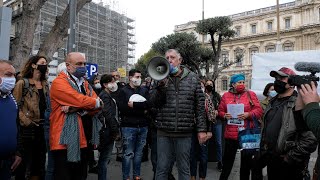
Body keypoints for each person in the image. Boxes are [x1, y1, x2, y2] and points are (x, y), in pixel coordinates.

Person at [149, 49, 207, 180]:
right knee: (162, 168)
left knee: (184, 168)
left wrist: (202, 129)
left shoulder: (192, 78)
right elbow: (152, 103)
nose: (169, 60)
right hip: (164, 131)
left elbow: (199, 106)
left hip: (184, 131)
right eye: (167, 57)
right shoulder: (159, 78)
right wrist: (161, 86)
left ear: (180, 61)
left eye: (172, 57)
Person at [49, 52, 102, 180]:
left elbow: (99, 106)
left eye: (84, 63)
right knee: (65, 175)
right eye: (79, 64)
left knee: (81, 175)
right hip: (65, 141)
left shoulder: (85, 83)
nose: (83, 66)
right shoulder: (59, 83)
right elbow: (81, 100)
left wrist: (77, 108)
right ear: (68, 66)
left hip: (84, 138)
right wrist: (92, 103)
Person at [260, 67, 317, 180]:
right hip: (272, 160)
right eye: (276, 78)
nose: (277, 80)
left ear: (292, 82)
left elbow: (311, 139)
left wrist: (289, 158)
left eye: (282, 78)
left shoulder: (300, 102)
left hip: (290, 164)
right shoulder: (272, 102)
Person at [218, 73, 263, 180]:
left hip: (247, 133)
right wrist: (224, 115)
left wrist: (249, 114)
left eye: (243, 82)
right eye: (239, 82)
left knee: (246, 165)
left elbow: (259, 111)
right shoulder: (225, 96)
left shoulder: (250, 94)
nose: (242, 84)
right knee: (227, 163)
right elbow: (220, 111)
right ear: (233, 84)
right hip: (231, 135)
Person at [13, 55, 50, 180]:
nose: (45, 65)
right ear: (34, 65)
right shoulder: (22, 83)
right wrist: (26, 121)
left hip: (42, 128)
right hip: (27, 129)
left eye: (46, 63)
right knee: (23, 164)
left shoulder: (45, 84)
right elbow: (15, 106)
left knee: (39, 164)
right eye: (42, 62)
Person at [118, 69, 150, 180]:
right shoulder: (123, 91)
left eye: (140, 77)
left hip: (143, 126)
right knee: (128, 154)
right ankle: (126, 177)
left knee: (139, 154)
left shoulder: (144, 90)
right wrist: (142, 109)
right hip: (128, 127)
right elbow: (123, 109)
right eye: (136, 77)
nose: (139, 79)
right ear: (130, 77)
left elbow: (148, 105)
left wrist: (135, 106)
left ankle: (137, 176)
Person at [0, 60, 22, 179]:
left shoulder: (11, 98)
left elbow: (16, 126)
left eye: (14, 75)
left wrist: (18, 152)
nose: (13, 79)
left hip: (8, 162)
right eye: (8, 75)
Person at [97, 74, 120, 180]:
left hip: (108, 130)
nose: (114, 83)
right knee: (104, 159)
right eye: (112, 81)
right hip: (107, 131)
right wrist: (115, 131)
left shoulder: (107, 95)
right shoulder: (104, 96)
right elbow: (108, 115)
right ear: (105, 84)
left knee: (105, 158)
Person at [190, 80, 213, 180]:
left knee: (203, 155)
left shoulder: (207, 98)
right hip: (190, 131)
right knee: (192, 155)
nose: (199, 88)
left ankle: (202, 177)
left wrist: (209, 130)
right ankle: (192, 176)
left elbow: (211, 117)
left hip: (204, 130)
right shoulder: (188, 98)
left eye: (201, 86)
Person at [205, 79, 223, 171]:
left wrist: (218, 112)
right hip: (205, 122)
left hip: (217, 122)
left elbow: (222, 107)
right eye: (207, 84)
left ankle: (220, 161)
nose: (209, 85)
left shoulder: (217, 96)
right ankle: (203, 161)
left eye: (210, 84)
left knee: (218, 142)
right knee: (205, 142)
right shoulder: (202, 95)